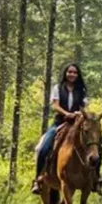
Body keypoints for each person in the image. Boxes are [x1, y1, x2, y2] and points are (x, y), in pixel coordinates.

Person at [32, 63, 93, 194]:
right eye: (70, 72)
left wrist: (78, 113)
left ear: (78, 75)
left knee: (95, 144)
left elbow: (84, 107)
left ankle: (95, 178)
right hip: (60, 122)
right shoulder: (58, 88)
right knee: (43, 147)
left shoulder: (82, 90)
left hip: (77, 124)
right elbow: (55, 105)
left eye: (75, 72)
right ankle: (38, 178)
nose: (72, 74)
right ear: (65, 73)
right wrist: (67, 113)